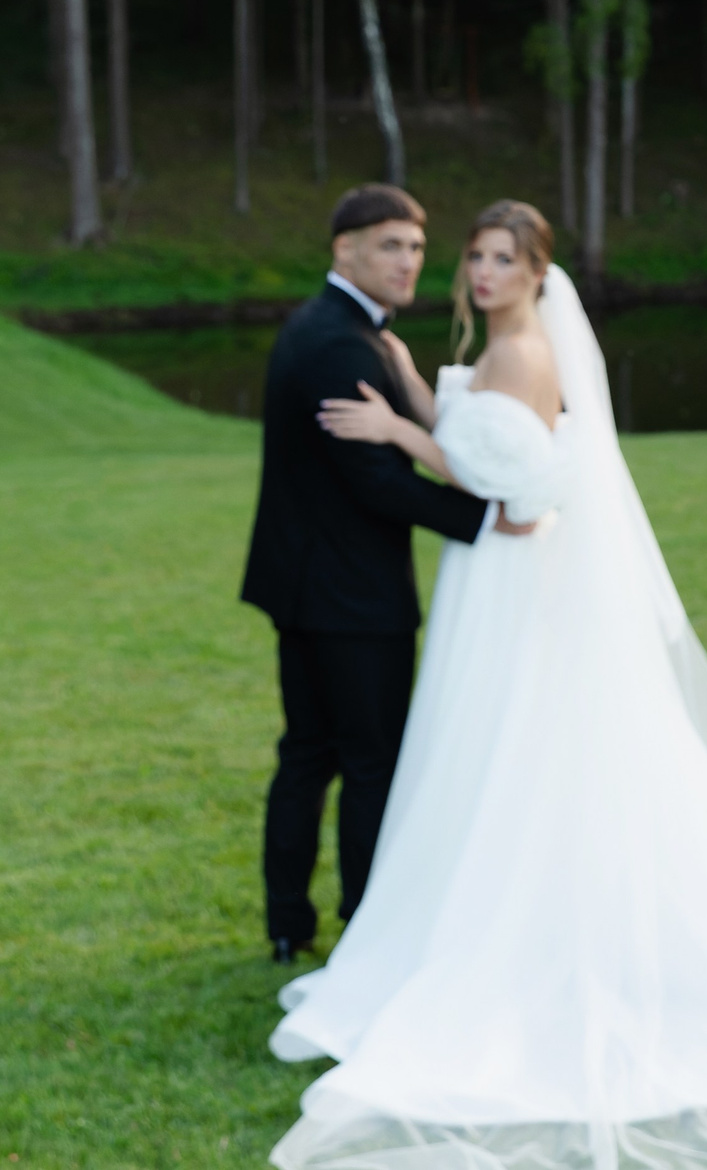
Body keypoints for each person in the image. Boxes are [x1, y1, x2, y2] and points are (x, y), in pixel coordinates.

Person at [265, 200, 707, 1170]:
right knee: (473, 746)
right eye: (473, 255)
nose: (479, 271)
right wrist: (419, 400)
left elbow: (507, 477)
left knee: (512, 739)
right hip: (493, 576)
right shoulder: (501, 345)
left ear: (535, 271)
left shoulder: (523, 353)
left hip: (511, 572)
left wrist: (403, 424)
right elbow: (486, 441)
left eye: (500, 258)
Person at [242, 184, 495, 965]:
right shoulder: (341, 344)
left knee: (310, 756)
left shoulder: (340, 329)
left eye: (417, 248)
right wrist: (487, 519)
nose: (409, 261)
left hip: (309, 584)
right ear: (343, 249)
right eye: (390, 245)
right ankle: (362, 925)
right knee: (366, 762)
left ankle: (290, 924)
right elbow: (375, 482)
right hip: (349, 597)